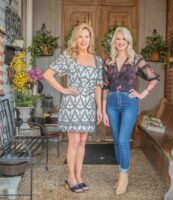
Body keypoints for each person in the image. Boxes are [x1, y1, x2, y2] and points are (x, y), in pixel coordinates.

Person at [43, 23, 103, 193]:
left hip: (88, 106)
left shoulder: (97, 60)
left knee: (83, 141)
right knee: (74, 141)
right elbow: (47, 74)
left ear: (90, 39)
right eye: (80, 37)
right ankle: (71, 177)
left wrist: (99, 108)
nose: (84, 40)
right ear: (75, 39)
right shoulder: (69, 56)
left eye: (87, 36)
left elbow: (98, 85)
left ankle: (79, 176)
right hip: (72, 105)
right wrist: (63, 90)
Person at [102, 27, 160, 195]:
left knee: (122, 140)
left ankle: (124, 175)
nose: (120, 42)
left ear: (128, 42)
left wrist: (142, 93)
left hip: (129, 103)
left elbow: (154, 77)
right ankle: (121, 174)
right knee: (115, 141)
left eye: (124, 39)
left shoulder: (136, 59)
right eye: (118, 39)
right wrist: (104, 108)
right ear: (114, 41)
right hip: (112, 102)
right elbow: (105, 85)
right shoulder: (108, 62)